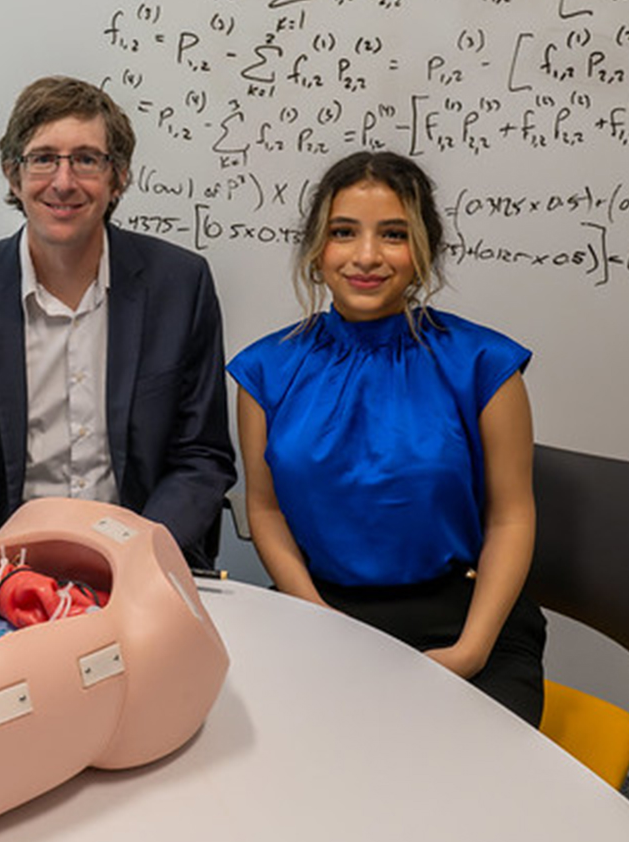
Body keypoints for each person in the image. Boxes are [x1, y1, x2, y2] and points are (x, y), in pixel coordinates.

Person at [228, 151, 545, 724]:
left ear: (423, 251)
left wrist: (469, 653)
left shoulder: (485, 365)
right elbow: (265, 509)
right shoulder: (264, 372)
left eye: (393, 234)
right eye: (343, 233)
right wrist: (316, 616)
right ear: (316, 252)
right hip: (320, 615)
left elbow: (511, 518)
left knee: (469, 787)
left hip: (466, 620)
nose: (367, 256)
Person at [0, 76, 236, 570]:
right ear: (12, 176)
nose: (63, 181)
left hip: (143, 566)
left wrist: (138, 557)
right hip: (0, 573)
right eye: (43, 159)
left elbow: (202, 456)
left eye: (86, 159)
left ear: (118, 177)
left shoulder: (180, 286)